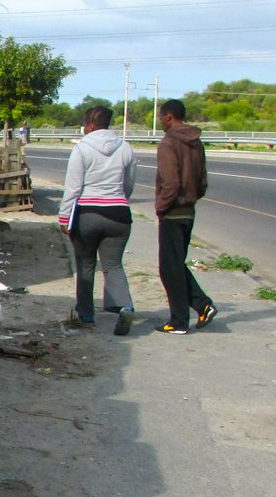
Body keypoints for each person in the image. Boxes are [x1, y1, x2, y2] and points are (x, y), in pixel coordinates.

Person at [57, 105, 139, 335]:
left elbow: (73, 188)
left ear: (90, 124)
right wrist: (118, 200)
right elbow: (129, 184)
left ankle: (86, 315)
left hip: (88, 215)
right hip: (119, 215)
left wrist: (64, 217)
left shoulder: (82, 149)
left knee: (86, 265)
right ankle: (126, 306)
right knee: (113, 265)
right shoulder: (126, 148)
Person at [153, 99, 217, 334]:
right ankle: (202, 307)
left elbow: (171, 182)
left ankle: (179, 321)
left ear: (169, 116)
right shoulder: (196, 142)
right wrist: (191, 198)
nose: (160, 121)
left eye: (161, 117)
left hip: (172, 213)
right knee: (175, 266)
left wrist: (161, 206)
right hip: (188, 211)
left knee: (169, 269)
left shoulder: (168, 143)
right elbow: (202, 181)